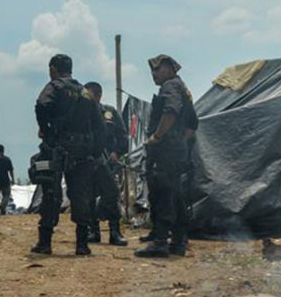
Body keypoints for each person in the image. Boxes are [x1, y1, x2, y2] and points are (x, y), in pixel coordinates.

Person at [30, 54, 106, 255]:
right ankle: (82, 244)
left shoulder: (54, 86)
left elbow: (41, 105)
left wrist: (45, 129)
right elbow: (100, 125)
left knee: (51, 194)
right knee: (81, 195)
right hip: (82, 151)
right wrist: (95, 151)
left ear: (54, 69)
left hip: (58, 147)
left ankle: (45, 243)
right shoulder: (86, 93)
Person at [135, 55, 198, 258]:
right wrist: (180, 143)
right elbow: (192, 125)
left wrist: (158, 136)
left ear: (170, 69)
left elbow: (170, 111)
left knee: (163, 194)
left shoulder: (170, 87)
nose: (153, 75)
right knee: (175, 194)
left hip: (166, 151)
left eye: (157, 70)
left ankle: (160, 242)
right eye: (152, 71)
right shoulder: (183, 89)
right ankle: (179, 241)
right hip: (176, 150)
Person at [84, 82, 128, 246]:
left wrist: (117, 152)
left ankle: (114, 231)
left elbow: (123, 136)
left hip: (108, 162)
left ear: (98, 95)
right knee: (88, 197)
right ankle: (93, 231)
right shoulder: (80, 114)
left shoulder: (109, 113)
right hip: (88, 162)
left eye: (89, 95)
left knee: (111, 195)